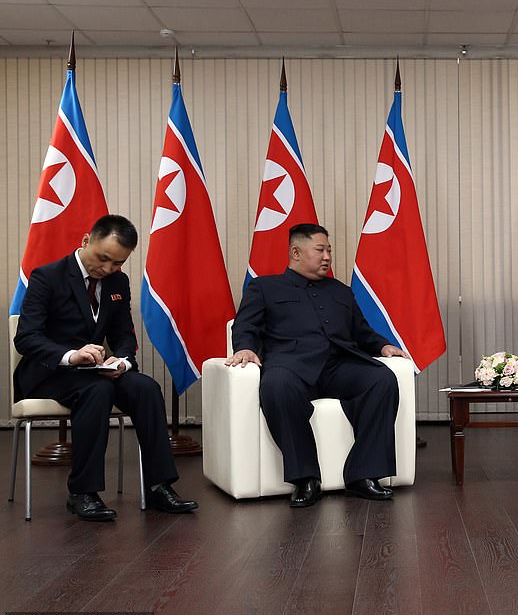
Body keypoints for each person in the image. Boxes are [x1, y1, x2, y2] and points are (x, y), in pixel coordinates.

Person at [14, 215, 197, 521]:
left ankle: (159, 487)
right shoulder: (47, 276)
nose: (108, 268)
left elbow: (124, 335)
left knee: (146, 388)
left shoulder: (117, 282)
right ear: (86, 241)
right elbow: (26, 338)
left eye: (118, 263)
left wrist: (122, 361)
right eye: (103, 258)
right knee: (97, 390)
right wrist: (71, 355)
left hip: (95, 372)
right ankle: (82, 493)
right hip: (51, 372)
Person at [226, 224, 409, 508]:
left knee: (381, 379)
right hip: (291, 366)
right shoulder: (264, 287)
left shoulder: (341, 291)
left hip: (338, 366)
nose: (327, 257)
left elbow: (361, 331)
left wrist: (382, 346)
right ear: (296, 253)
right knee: (276, 385)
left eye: (329, 251)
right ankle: (305, 478)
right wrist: (245, 347)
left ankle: (364, 474)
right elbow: (246, 325)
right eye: (320, 250)